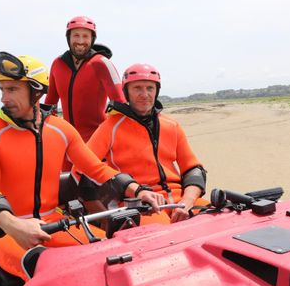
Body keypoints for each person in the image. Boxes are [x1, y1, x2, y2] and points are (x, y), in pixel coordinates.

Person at [0, 52, 163, 283]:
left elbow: (97, 170)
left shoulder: (61, 129)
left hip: (55, 222)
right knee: (46, 272)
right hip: (8, 232)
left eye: (12, 89)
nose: (3, 98)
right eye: (2, 89)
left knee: (113, 256)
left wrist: (138, 190)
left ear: (36, 91)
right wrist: (13, 225)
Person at [75, 63, 208, 224]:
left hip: (181, 201)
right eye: (137, 88)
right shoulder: (110, 127)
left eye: (150, 88)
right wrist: (127, 192)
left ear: (156, 91)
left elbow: (193, 170)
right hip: (139, 205)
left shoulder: (171, 125)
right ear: (126, 92)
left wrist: (187, 201)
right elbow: (81, 168)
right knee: (164, 235)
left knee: (220, 218)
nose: (144, 94)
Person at [45, 16, 126, 146]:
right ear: (69, 38)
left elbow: (121, 106)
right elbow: (49, 106)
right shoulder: (58, 64)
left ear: (92, 39)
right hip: (67, 142)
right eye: (76, 35)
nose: (80, 41)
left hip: (97, 142)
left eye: (85, 36)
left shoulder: (102, 63)